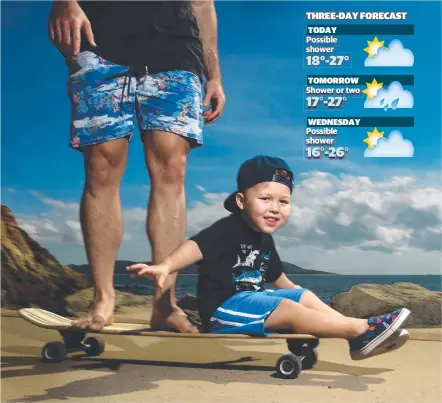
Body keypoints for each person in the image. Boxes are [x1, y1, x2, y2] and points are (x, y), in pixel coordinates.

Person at [48, 0, 225, 332]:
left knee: (172, 167)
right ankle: (102, 300)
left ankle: (164, 304)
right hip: (97, 38)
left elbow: (202, 4)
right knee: (102, 164)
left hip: (176, 48)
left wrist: (214, 75)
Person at [127, 155, 411, 360]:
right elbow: (194, 247)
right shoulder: (228, 229)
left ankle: (359, 335)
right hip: (224, 310)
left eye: (283, 202)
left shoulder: (265, 241)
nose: (275, 208)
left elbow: (281, 282)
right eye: (265, 199)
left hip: (253, 300)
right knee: (289, 308)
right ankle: (359, 328)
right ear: (241, 202)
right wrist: (166, 266)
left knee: (303, 296)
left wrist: (306, 301)